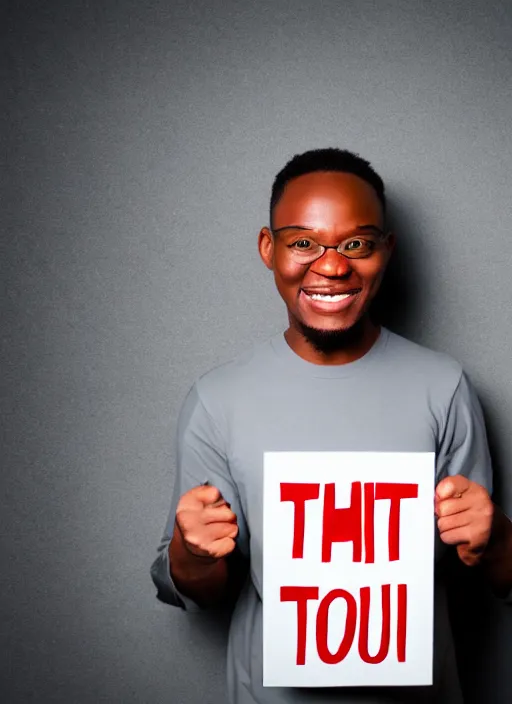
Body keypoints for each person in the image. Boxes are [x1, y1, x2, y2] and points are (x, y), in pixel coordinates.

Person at [151, 148, 511, 704]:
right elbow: (196, 590)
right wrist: (190, 554)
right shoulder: (217, 400)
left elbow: (494, 576)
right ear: (269, 249)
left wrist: (496, 540)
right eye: (303, 242)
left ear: (385, 252)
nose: (332, 266)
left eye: (356, 244)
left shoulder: (446, 387)